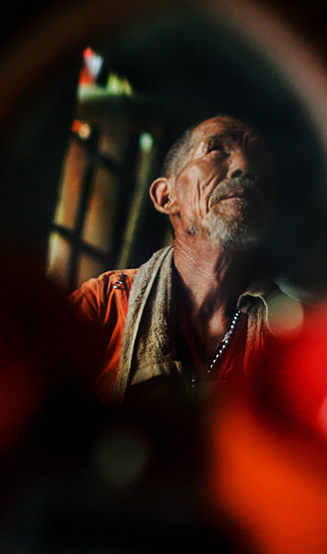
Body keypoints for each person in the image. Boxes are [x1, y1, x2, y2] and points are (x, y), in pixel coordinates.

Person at [70, 116, 283, 403]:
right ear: (166, 197)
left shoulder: (296, 334)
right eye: (216, 150)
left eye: (258, 158)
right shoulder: (104, 306)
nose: (246, 167)